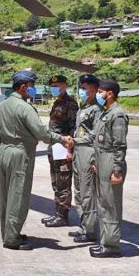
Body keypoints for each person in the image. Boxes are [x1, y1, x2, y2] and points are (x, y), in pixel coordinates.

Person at [0, 70, 65, 250]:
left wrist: (0, 152)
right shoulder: (25, 107)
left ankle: (8, 232)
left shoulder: (3, 105)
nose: (33, 90)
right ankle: (12, 239)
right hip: (20, 153)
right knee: (18, 196)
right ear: (23, 87)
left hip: (3, 152)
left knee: (5, 197)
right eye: (31, 86)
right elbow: (42, 133)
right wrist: (63, 139)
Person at [89, 79, 128, 257]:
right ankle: (105, 241)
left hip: (112, 161)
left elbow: (119, 145)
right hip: (102, 160)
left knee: (111, 204)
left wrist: (117, 170)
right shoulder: (106, 113)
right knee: (103, 203)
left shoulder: (117, 115)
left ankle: (112, 246)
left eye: (100, 91)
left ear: (110, 93)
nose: (98, 94)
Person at [65, 74, 103, 243]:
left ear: (94, 90)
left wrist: (75, 141)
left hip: (88, 152)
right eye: (81, 88)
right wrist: (72, 148)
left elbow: (94, 136)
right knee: (79, 191)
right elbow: (78, 131)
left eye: (84, 88)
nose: (81, 91)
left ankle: (91, 231)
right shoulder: (83, 108)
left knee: (88, 193)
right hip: (78, 151)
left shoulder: (96, 110)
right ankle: (83, 225)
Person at [42, 75, 79, 227]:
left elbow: (74, 128)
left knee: (63, 182)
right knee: (56, 181)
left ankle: (62, 216)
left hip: (64, 148)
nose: (54, 88)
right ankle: (57, 212)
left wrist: (71, 150)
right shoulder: (57, 102)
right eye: (52, 86)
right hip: (55, 147)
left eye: (58, 86)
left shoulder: (70, 104)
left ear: (64, 86)